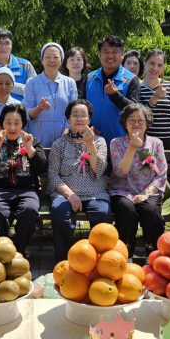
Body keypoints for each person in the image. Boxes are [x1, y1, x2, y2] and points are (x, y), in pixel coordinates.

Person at [0, 103, 47, 255]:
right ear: (2, 123)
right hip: (0, 190)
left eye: (17, 123)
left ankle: (20, 251)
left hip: (28, 190)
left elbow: (42, 168)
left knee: (29, 210)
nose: (12, 127)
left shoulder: (32, 141)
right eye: (8, 122)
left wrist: (30, 149)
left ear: (23, 124)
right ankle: (3, 249)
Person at [48, 100, 111, 262]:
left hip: (95, 192)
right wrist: (70, 195)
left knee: (102, 213)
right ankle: (64, 261)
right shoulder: (59, 144)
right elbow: (53, 175)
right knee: (59, 211)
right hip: (65, 193)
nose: (79, 119)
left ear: (89, 120)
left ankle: (99, 260)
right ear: (68, 119)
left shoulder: (99, 142)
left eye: (83, 115)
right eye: (75, 115)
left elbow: (99, 170)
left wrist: (90, 145)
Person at [108, 104, 167, 258]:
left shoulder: (156, 144)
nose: (136, 124)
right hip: (122, 190)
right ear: (125, 123)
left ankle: (153, 255)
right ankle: (125, 255)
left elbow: (161, 175)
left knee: (152, 212)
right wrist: (131, 148)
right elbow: (120, 173)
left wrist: (145, 194)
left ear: (147, 123)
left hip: (148, 191)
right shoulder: (116, 143)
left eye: (140, 120)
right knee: (126, 210)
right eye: (132, 120)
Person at [86, 36, 140, 146]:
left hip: (121, 144)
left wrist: (115, 95)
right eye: (106, 52)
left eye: (114, 52)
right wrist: (87, 126)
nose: (110, 56)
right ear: (99, 54)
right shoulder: (89, 78)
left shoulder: (131, 80)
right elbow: (82, 107)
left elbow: (134, 110)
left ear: (122, 54)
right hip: (92, 142)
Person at [23, 42, 78, 148]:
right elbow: (27, 113)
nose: (52, 60)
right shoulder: (32, 82)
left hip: (63, 133)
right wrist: (40, 108)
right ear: (42, 60)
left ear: (61, 60)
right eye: (47, 57)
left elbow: (73, 111)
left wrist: (67, 130)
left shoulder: (70, 82)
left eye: (56, 57)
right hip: (38, 132)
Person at [139, 49, 170, 152]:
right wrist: (155, 98)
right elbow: (139, 116)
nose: (155, 68)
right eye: (152, 63)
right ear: (145, 63)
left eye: (160, 65)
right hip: (144, 141)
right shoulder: (136, 88)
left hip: (168, 142)